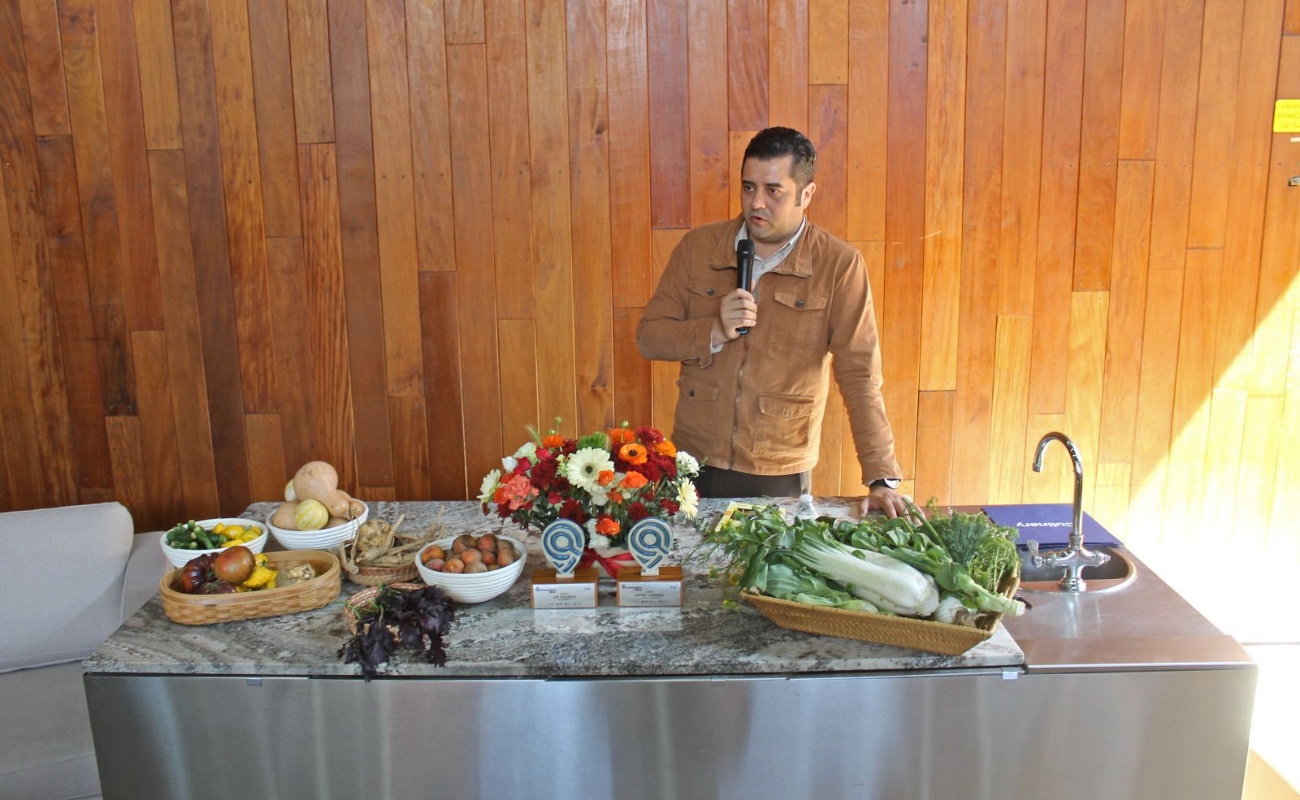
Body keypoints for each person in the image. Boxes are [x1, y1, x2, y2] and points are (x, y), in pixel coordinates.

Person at [637, 127, 907, 518]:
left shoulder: (838, 266)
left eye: (773, 190)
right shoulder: (698, 248)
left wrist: (882, 477)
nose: (756, 203)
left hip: (779, 469)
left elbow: (860, 376)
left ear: (806, 194)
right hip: (693, 461)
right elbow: (650, 337)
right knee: (690, 571)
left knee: (767, 575)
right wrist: (712, 331)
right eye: (748, 187)